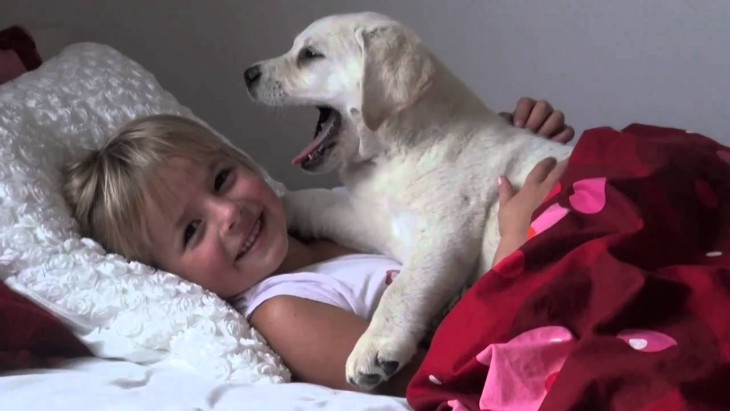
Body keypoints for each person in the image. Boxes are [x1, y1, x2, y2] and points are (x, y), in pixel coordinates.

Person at [62, 98, 573, 397]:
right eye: (191, 231)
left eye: (221, 179)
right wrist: (512, 246)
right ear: (172, 276)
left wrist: (511, 150)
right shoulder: (286, 311)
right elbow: (442, 388)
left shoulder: (333, 215)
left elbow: (449, 208)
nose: (229, 213)